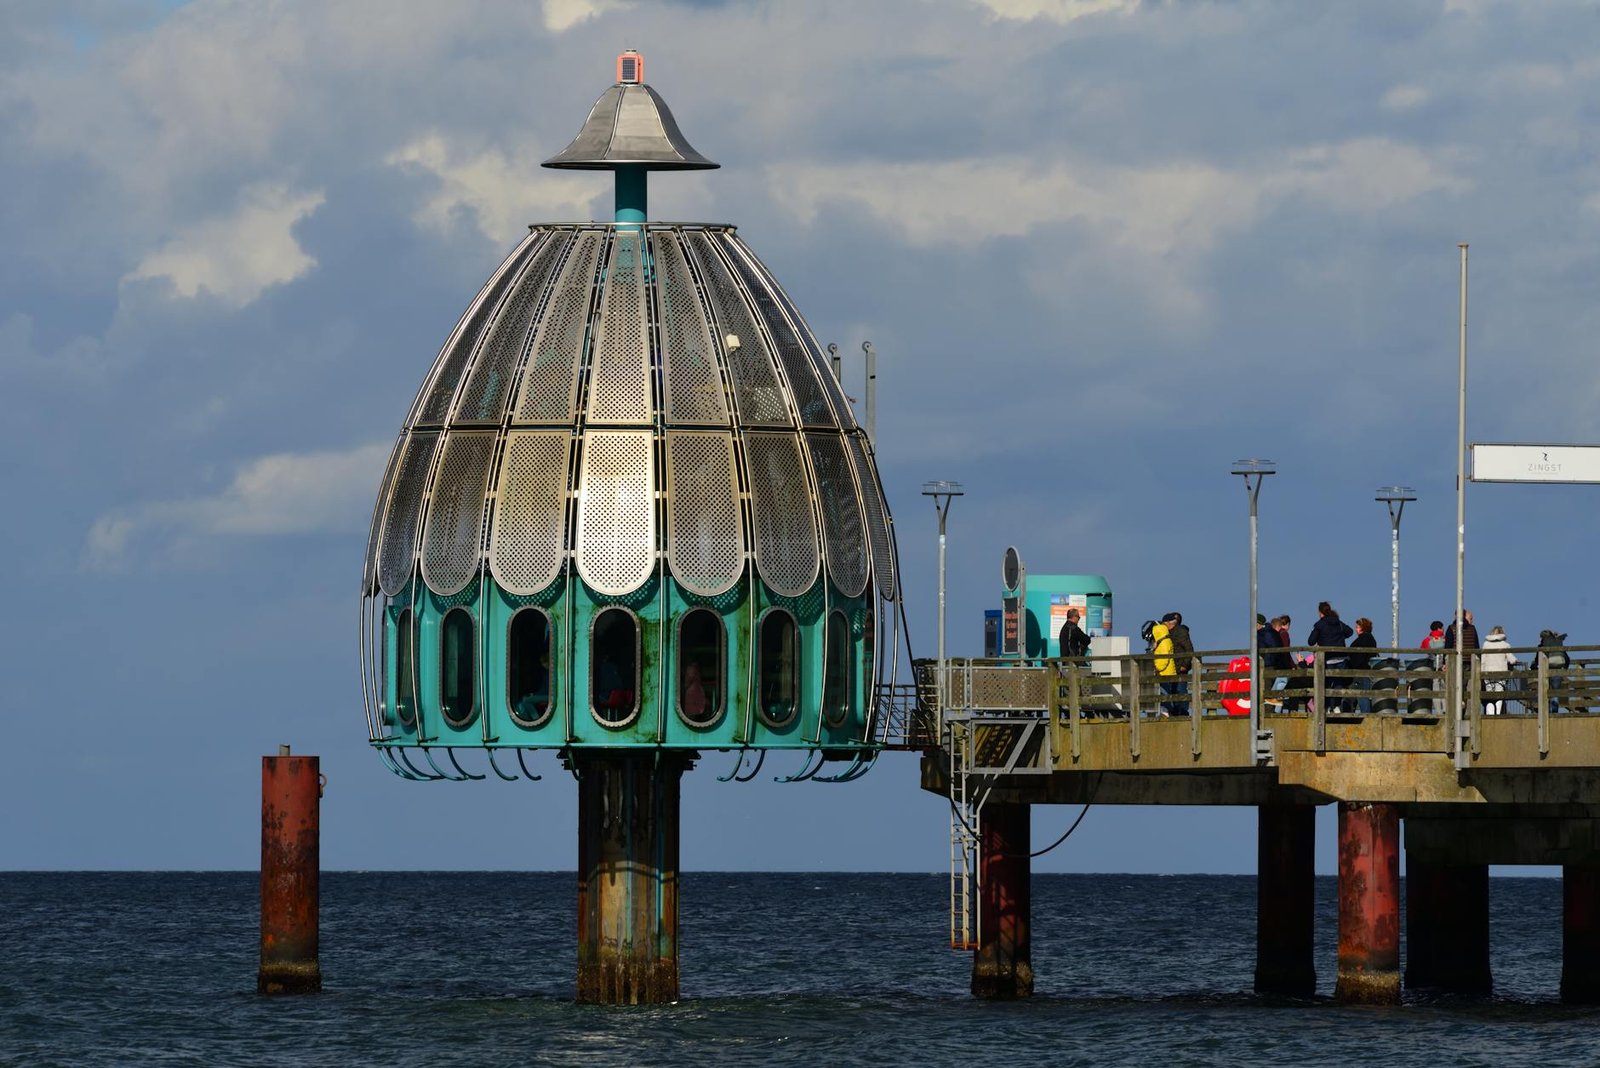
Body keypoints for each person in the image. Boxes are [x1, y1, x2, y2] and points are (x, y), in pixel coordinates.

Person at [1479, 625, 1518, 715]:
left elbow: (1483, 660)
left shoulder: (1486, 644)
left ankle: (1490, 714)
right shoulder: (1505, 644)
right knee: (1499, 694)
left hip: (1487, 674)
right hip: (1501, 674)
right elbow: (1512, 659)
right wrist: (1515, 661)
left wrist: (1482, 673)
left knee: (1489, 694)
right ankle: (1497, 713)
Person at [1346, 617, 1378, 712]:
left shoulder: (1364, 638)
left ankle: (1365, 715)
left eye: (1357, 627)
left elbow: (1360, 655)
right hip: (1365, 670)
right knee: (1361, 695)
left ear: (1363, 627)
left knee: (1362, 695)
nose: (1356, 629)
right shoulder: (1369, 638)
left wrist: (1353, 663)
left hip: (1361, 671)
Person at [1150, 618, 1180, 717]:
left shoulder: (1163, 643)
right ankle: (1166, 711)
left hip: (1164, 672)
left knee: (1164, 692)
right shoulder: (1166, 641)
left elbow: (1163, 659)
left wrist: (1156, 667)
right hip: (1168, 671)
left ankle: (1166, 712)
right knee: (1165, 692)